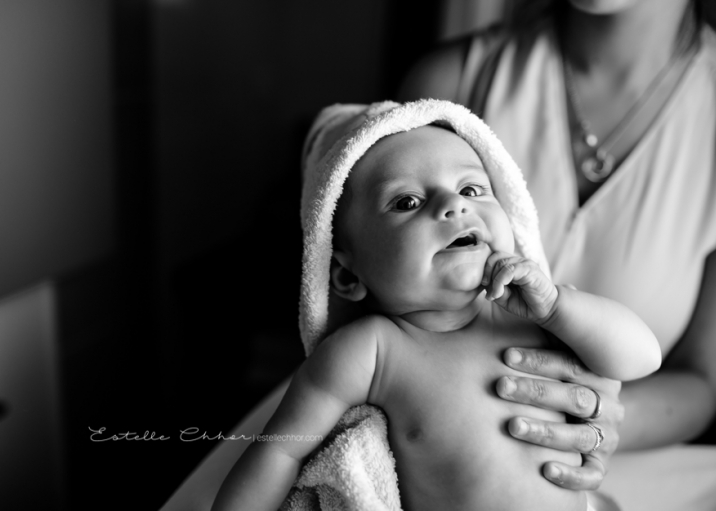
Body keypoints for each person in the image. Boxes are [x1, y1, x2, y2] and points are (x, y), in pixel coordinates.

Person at [211, 100, 660, 511]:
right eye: (407, 201)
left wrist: (558, 307)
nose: (453, 206)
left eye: (472, 189)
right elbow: (279, 450)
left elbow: (642, 357)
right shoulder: (371, 350)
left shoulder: (536, 313)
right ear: (348, 275)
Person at [398, 0, 716, 493]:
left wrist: (592, 420)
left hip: (616, 465)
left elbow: (704, 375)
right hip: (432, 448)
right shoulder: (452, 84)